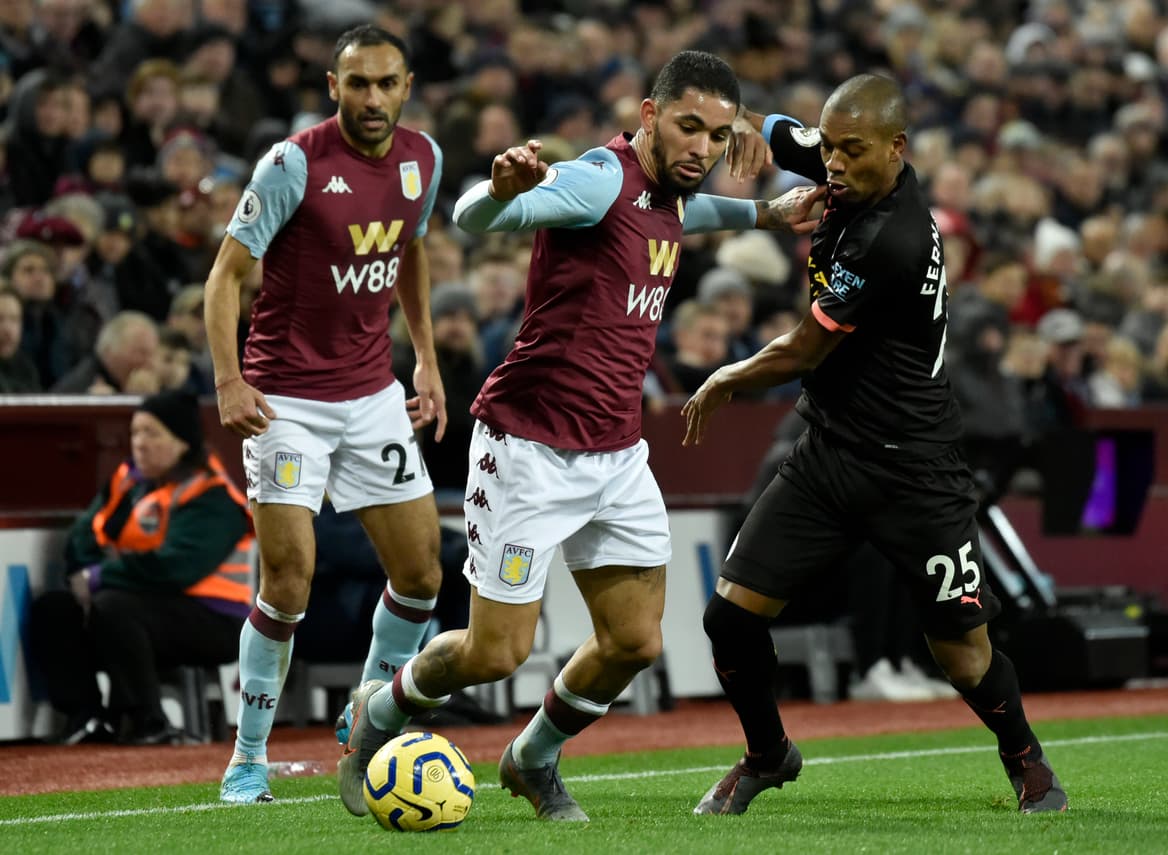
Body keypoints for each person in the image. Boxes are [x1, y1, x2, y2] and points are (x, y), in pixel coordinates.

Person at [335, 49, 821, 823]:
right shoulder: (599, 179)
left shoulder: (669, 193)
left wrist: (768, 212)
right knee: (494, 652)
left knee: (635, 642)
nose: (702, 147)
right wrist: (498, 193)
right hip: (529, 445)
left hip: (618, 454)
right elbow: (473, 216)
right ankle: (380, 711)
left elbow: (689, 215)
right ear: (650, 115)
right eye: (688, 126)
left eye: (718, 134)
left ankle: (531, 759)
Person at [681, 75, 1068, 816]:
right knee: (729, 618)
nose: (832, 163)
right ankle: (768, 753)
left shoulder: (889, 235)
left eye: (850, 151)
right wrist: (741, 124)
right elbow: (786, 132)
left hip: (915, 468)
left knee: (961, 652)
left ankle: (1026, 757)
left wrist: (726, 375)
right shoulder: (844, 162)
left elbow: (802, 350)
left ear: (895, 150)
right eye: (828, 148)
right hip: (828, 456)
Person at [204, 24, 448, 805]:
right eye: (356, 83)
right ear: (333, 86)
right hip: (286, 402)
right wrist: (229, 380)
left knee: (420, 573)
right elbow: (225, 276)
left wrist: (428, 358)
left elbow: (409, 249)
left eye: (385, 83)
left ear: (407, 86)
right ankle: (247, 757)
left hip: (372, 392)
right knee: (289, 583)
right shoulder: (293, 163)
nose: (371, 97)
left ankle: (367, 722)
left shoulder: (425, 159)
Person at [28, 391, 253, 744]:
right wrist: (86, 573)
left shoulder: (211, 495)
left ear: (181, 442)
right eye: (135, 433)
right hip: (134, 604)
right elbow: (82, 536)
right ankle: (85, 718)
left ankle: (145, 721)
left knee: (115, 608)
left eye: (152, 434)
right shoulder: (127, 482)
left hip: (213, 619)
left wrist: (100, 577)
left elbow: (175, 567)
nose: (139, 444)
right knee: (54, 609)